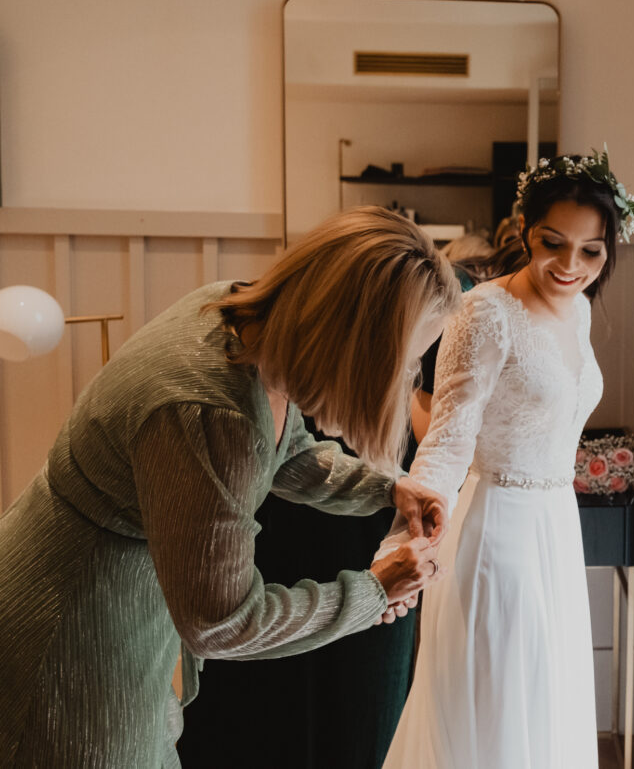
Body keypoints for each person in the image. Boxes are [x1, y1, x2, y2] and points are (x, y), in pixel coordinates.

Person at [0, 206, 460, 768]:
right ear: (356, 344)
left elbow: (280, 450)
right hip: (72, 629)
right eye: (407, 362)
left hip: (95, 592)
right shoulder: (211, 413)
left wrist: (387, 489)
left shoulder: (237, 313)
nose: (407, 378)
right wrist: (372, 592)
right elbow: (222, 623)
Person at [381, 150, 634, 768]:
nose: (571, 265)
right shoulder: (485, 313)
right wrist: (403, 542)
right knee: (497, 712)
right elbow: (447, 436)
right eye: (554, 243)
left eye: (590, 250)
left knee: (546, 704)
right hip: (498, 535)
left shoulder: (576, 309)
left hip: (554, 525)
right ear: (524, 230)